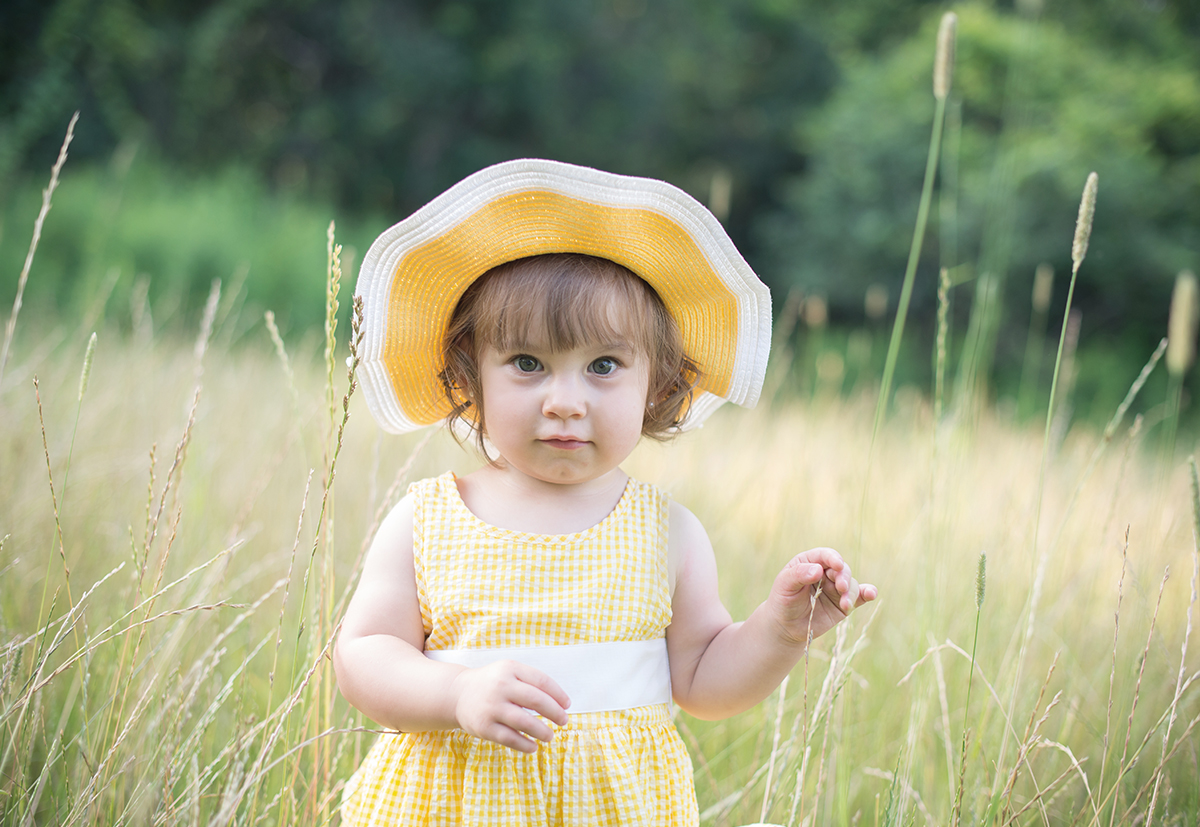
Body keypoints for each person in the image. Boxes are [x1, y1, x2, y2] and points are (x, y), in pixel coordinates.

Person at [335, 159, 877, 826]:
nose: (565, 401)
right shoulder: (427, 519)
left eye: (604, 366)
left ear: (658, 382)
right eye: (528, 364)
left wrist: (779, 629)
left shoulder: (668, 532)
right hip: (449, 803)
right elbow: (363, 656)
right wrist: (456, 692)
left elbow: (705, 680)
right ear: (470, 372)